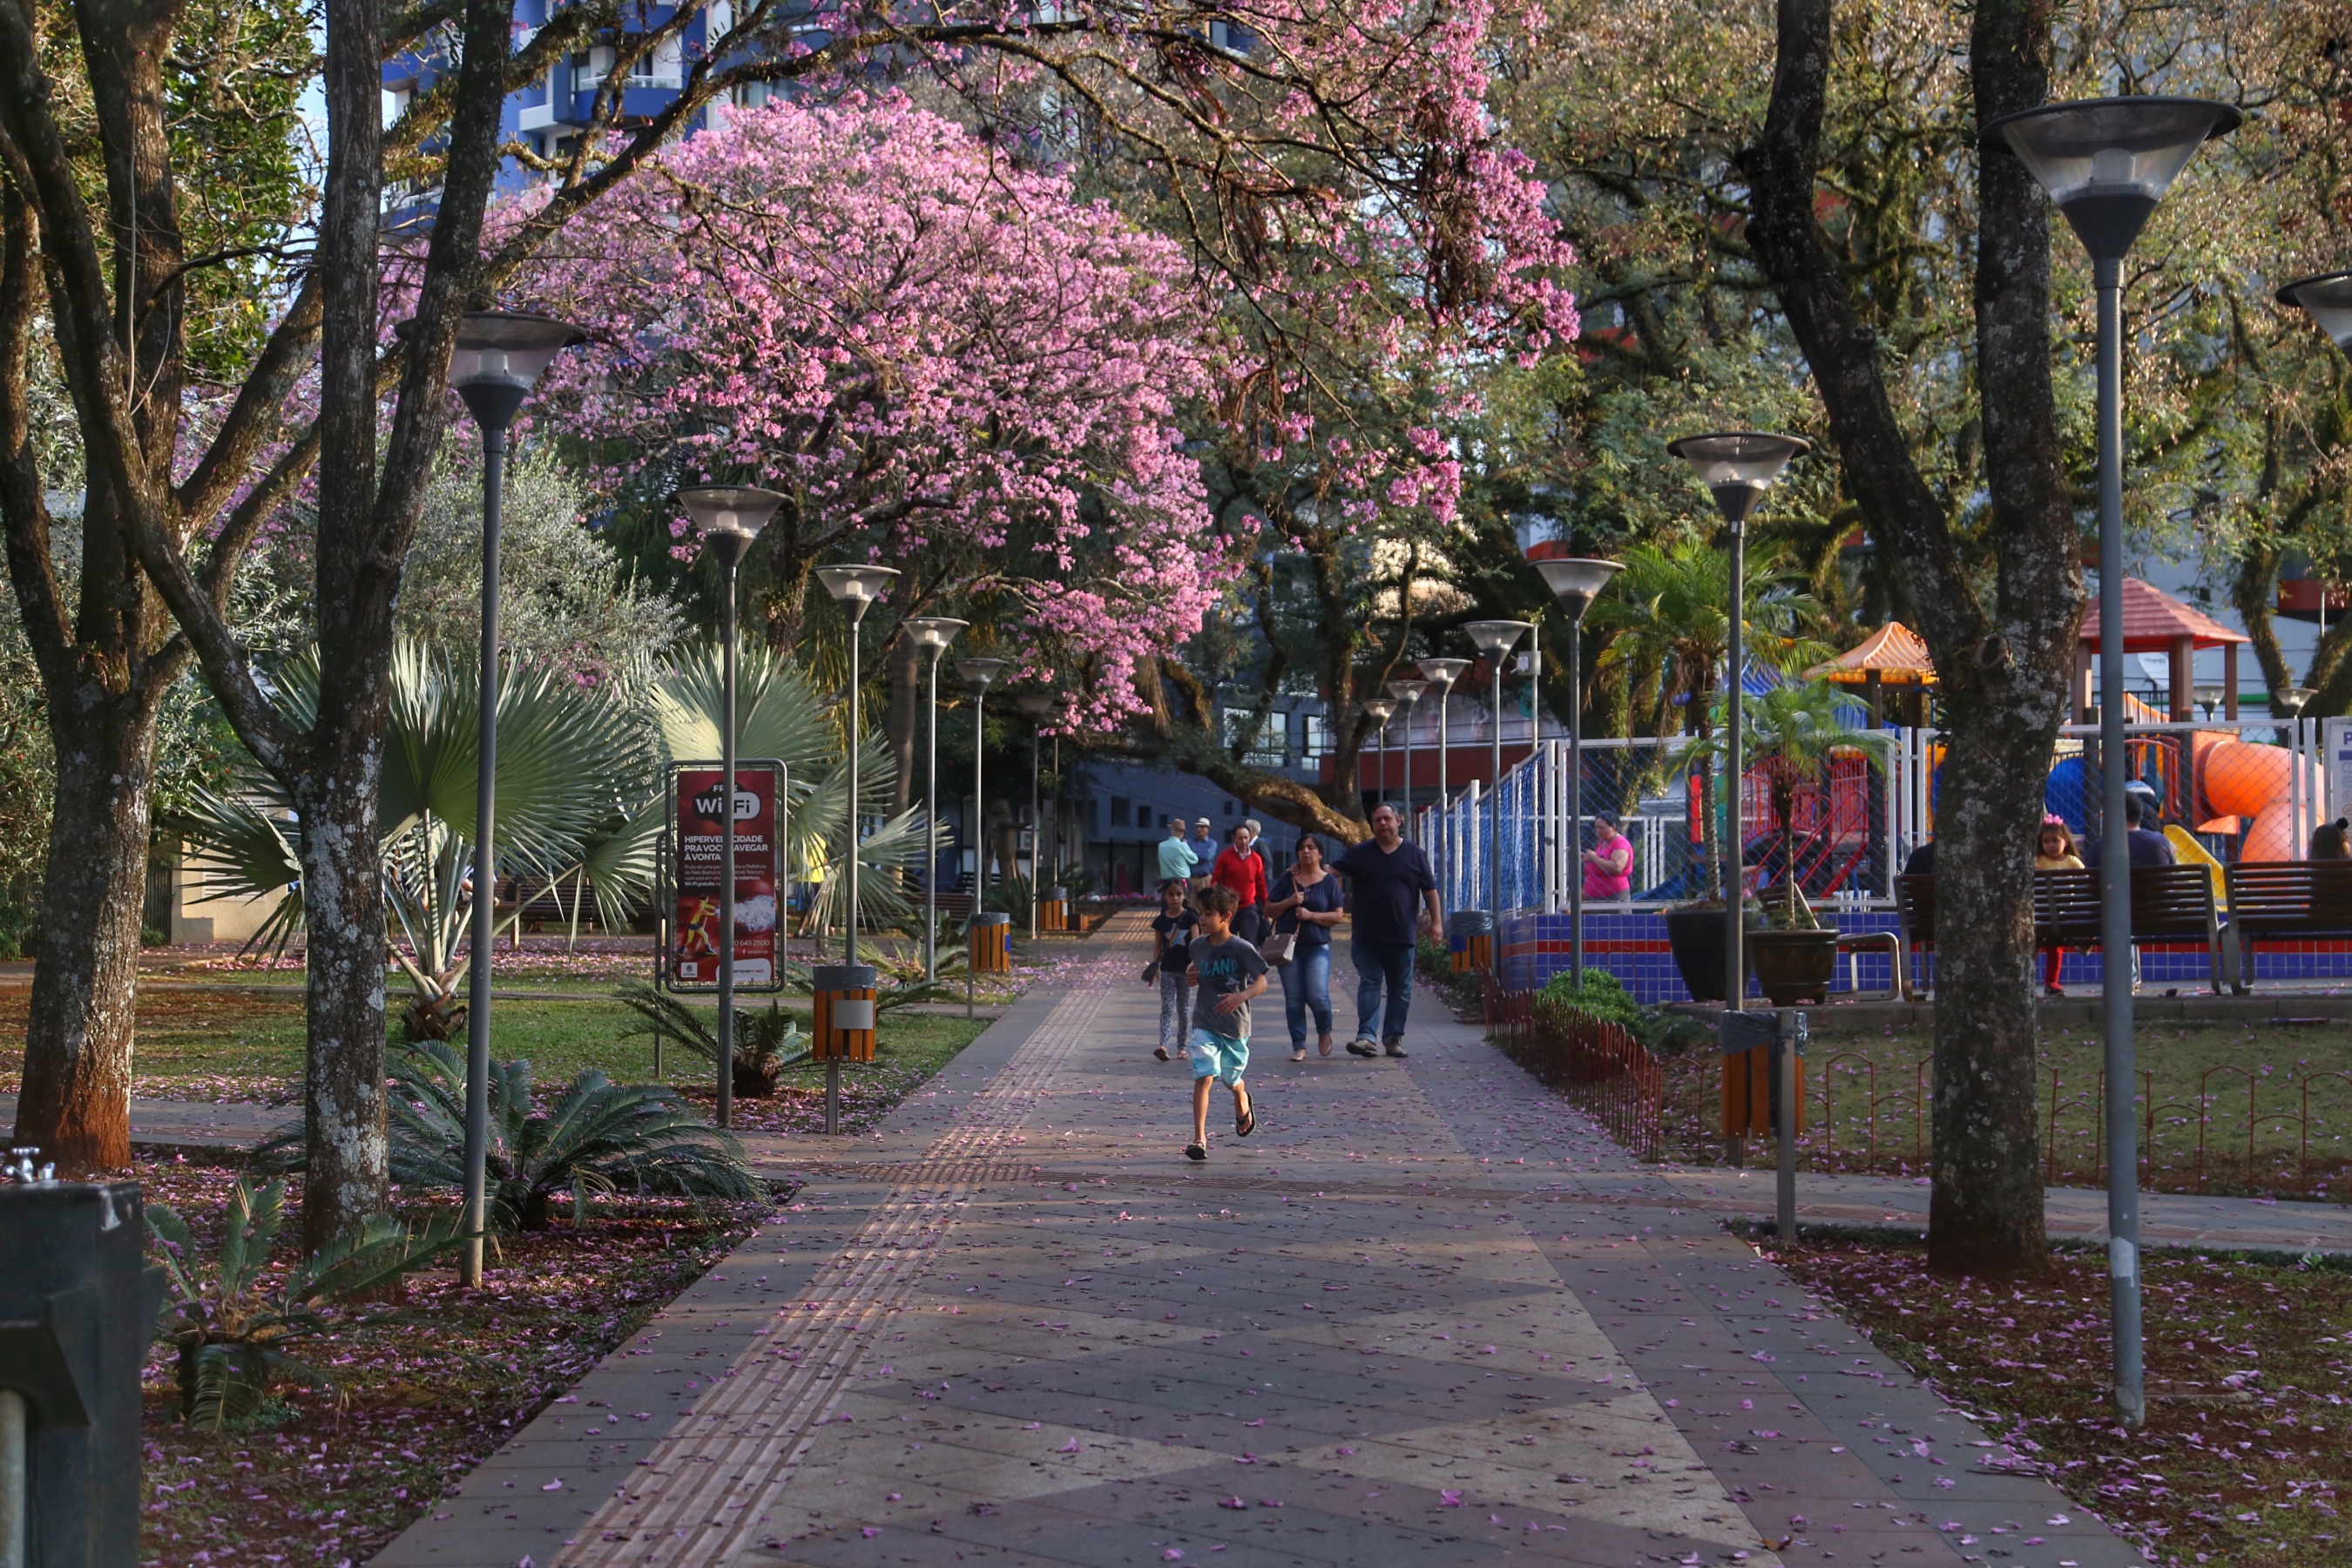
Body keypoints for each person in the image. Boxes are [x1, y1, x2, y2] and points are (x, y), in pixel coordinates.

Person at [1334, 801, 1441, 1058]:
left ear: (1398, 821)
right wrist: (1305, 870)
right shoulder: (1360, 853)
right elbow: (1330, 871)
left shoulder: (1415, 854)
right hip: (1366, 935)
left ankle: (1393, 1039)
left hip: (1402, 935)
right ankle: (1366, 1037)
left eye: (1386, 819)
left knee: (1400, 991)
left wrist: (1437, 923)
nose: (1382, 824)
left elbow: (1430, 891)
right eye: (1377, 820)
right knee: (1369, 984)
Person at [1173, 884, 1267, 1161]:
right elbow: (1197, 973)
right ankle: (1199, 1139)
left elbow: (1262, 980)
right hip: (1204, 1021)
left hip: (1235, 1025)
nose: (1201, 919)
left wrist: (1241, 997)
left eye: (1208, 913)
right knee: (1204, 1075)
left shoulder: (1241, 948)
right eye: (1200, 913)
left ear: (1226, 916)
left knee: (1230, 1078)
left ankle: (1242, 1099)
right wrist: (1193, 977)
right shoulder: (1197, 946)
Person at [1267, 834, 1345, 1061]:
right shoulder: (1287, 878)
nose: (1306, 851)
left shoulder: (1329, 881)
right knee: (1294, 997)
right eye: (1302, 848)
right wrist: (1289, 902)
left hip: (1317, 947)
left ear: (1320, 854)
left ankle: (1324, 1031)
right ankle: (1299, 1045)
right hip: (1288, 948)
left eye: (1311, 847)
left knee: (1317, 995)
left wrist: (1311, 915)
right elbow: (1269, 909)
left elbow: (1337, 915)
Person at [1146, 877, 1198, 1062]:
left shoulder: (1191, 918)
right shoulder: (1160, 921)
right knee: (1167, 1007)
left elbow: (1196, 943)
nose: (1175, 898)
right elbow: (1157, 946)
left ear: (1184, 896)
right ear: (1164, 896)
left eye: (1179, 894)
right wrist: (1155, 966)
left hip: (1185, 971)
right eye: (1171, 894)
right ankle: (1163, 1045)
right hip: (1167, 969)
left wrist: (1195, 963)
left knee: (1183, 1009)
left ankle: (1182, 1047)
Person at [2034, 814, 2084, 997]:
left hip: (2061, 914)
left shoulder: (2072, 861)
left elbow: (2085, 879)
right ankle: (2026, 979)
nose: (2051, 845)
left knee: (2055, 949)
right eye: (2046, 842)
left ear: (2065, 841)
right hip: (2041, 913)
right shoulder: (2039, 860)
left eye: (2055, 841)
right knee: (2034, 946)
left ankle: (2051, 982)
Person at [2083, 787, 2176, 868]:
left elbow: (2091, 881)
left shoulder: (2101, 845)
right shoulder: (2161, 841)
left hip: (2115, 889)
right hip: (2155, 889)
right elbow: (2171, 876)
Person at [1213, 822, 1271, 943]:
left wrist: (1266, 904)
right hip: (1228, 908)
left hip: (1249, 907)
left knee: (1248, 945)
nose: (1244, 841)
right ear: (1234, 839)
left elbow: (1261, 884)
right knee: (1225, 945)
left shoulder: (1256, 858)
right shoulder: (1225, 857)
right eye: (1240, 838)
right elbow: (1215, 880)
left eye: (1246, 838)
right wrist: (1215, 902)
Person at [1583, 809, 1633, 902]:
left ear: (1613, 827)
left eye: (1602, 828)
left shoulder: (1620, 843)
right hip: (1595, 898)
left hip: (1613, 896)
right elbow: (1601, 861)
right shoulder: (1602, 844)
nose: (1598, 831)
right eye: (1596, 827)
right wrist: (1589, 859)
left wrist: (1594, 857)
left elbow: (1617, 867)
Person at [1156, 817, 1200, 885]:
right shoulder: (1183, 846)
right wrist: (1186, 846)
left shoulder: (1161, 845)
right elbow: (1195, 860)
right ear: (1181, 833)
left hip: (1166, 880)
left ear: (1171, 830)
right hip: (1182, 880)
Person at [1187, 817, 1217, 899]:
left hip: (1205, 878)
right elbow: (1186, 856)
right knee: (1191, 905)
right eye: (1198, 827)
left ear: (1208, 829)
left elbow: (1207, 856)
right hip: (1191, 879)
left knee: (1205, 903)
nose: (1199, 829)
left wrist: (1192, 855)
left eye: (1202, 827)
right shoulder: (1190, 842)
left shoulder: (1212, 843)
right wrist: (1198, 856)